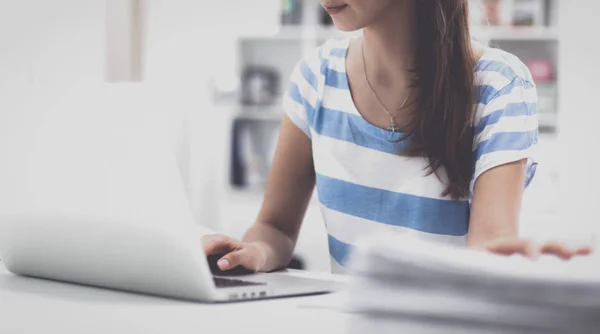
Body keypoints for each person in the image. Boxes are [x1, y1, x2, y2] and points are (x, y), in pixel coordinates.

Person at [203, 0, 590, 273]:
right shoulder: (316, 77)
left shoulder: (499, 85)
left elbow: (489, 250)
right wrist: (253, 251)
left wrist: (533, 276)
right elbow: (274, 228)